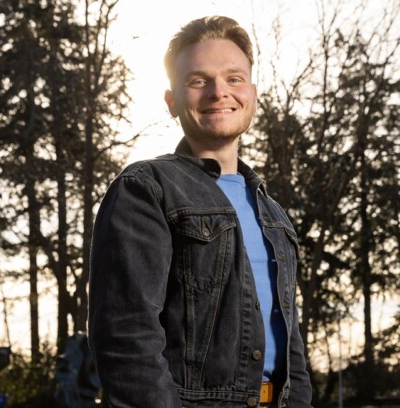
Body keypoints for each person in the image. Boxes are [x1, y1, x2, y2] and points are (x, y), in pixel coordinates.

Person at [88, 15, 312, 407]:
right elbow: (127, 338)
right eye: (198, 81)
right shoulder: (146, 189)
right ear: (172, 102)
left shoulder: (274, 214)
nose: (218, 92)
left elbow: (291, 345)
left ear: (253, 94)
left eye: (234, 79)